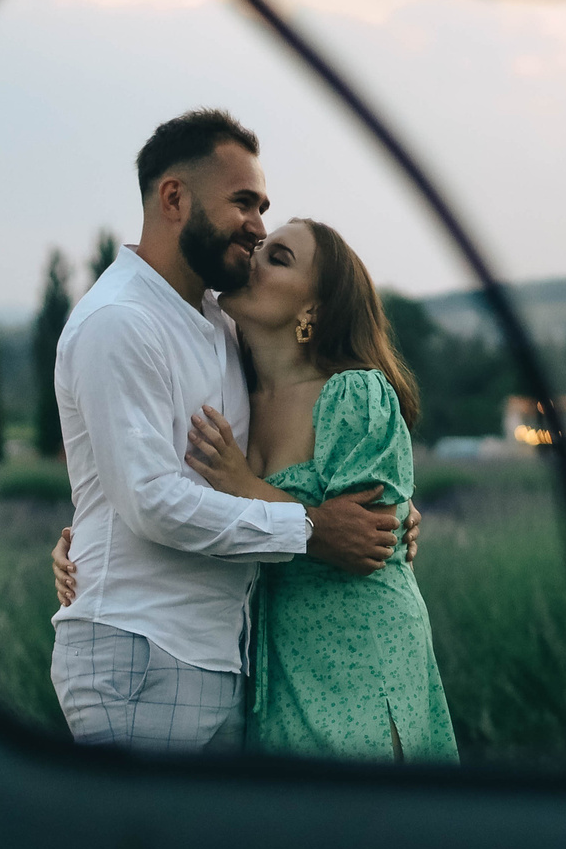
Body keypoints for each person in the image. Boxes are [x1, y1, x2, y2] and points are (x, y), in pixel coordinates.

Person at [47, 109, 409, 753]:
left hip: (229, 658)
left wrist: (398, 510)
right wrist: (314, 528)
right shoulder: (118, 322)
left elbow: (312, 433)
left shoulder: (221, 322)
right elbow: (151, 500)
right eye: (243, 203)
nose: (258, 225)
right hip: (140, 650)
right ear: (174, 198)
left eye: (263, 206)